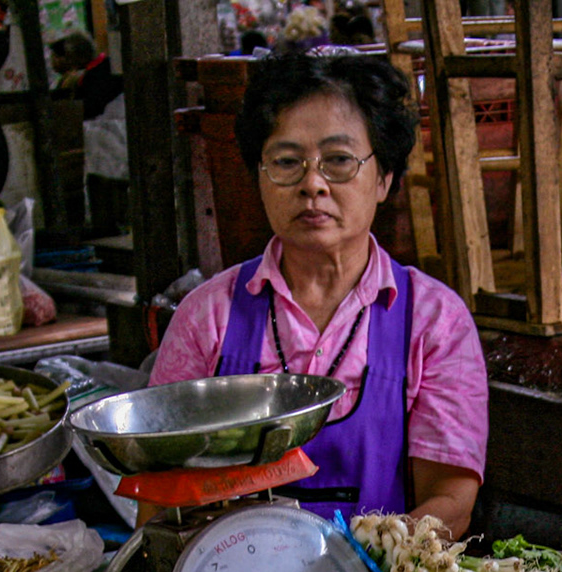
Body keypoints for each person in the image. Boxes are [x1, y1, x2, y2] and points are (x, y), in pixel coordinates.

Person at [148, 52, 488, 535]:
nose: (312, 184)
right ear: (260, 177)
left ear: (384, 178)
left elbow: (450, 500)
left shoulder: (434, 320)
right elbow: (159, 495)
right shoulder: (208, 316)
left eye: (339, 161)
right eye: (287, 162)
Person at [49, 32, 119, 119]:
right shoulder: (106, 64)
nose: (69, 62)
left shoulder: (96, 74)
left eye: (70, 58)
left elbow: (91, 108)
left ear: (79, 57)